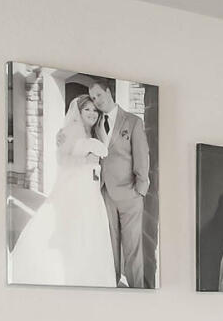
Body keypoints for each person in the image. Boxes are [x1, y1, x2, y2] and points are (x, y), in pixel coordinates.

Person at [14, 80, 117, 286]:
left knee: (89, 233)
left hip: (91, 191)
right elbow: (62, 159)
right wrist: (85, 160)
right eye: (87, 109)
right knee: (73, 230)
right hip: (75, 190)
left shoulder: (94, 132)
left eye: (95, 110)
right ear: (79, 112)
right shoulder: (71, 131)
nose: (92, 113)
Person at [97, 89, 152, 287]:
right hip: (106, 192)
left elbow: (142, 155)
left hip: (130, 194)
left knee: (132, 248)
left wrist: (140, 190)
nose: (96, 100)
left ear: (108, 92)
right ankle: (113, 287)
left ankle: (137, 290)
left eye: (98, 95)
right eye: (93, 98)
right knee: (109, 246)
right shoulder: (96, 122)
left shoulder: (132, 121)